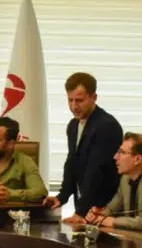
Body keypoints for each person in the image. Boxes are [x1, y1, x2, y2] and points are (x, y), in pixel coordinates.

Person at [43, 73, 122, 216]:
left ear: (94, 97)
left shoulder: (107, 125)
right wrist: (62, 197)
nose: (74, 106)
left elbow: (96, 172)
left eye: (79, 100)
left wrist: (81, 211)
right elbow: (72, 162)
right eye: (70, 100)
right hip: (84, 206)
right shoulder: (73, 125)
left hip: (103, 207)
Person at [68, 133, 142, 234]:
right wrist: (97, 214)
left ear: (137, 159)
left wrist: (111, 221)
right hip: (133, 240)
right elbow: (111, 210)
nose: (115, 157)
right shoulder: (125, 179)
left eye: (122, 152)